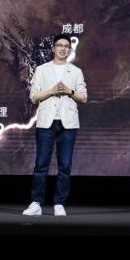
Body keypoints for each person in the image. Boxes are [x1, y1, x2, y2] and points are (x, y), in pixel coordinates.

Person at [22, 33, 87, 217]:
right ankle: (36, 203)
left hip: (68, 124)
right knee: (41, 164)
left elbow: (83, 97)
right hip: (46, 123)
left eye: (66, 46)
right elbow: (34, 96)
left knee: (65, 165)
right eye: (60, 45)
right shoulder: (42, 70)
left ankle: (59, 203)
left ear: (69, 50)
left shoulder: (76, 71)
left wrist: (69, 90)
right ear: (53, 48)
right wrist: (51, 91)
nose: (63, 49)